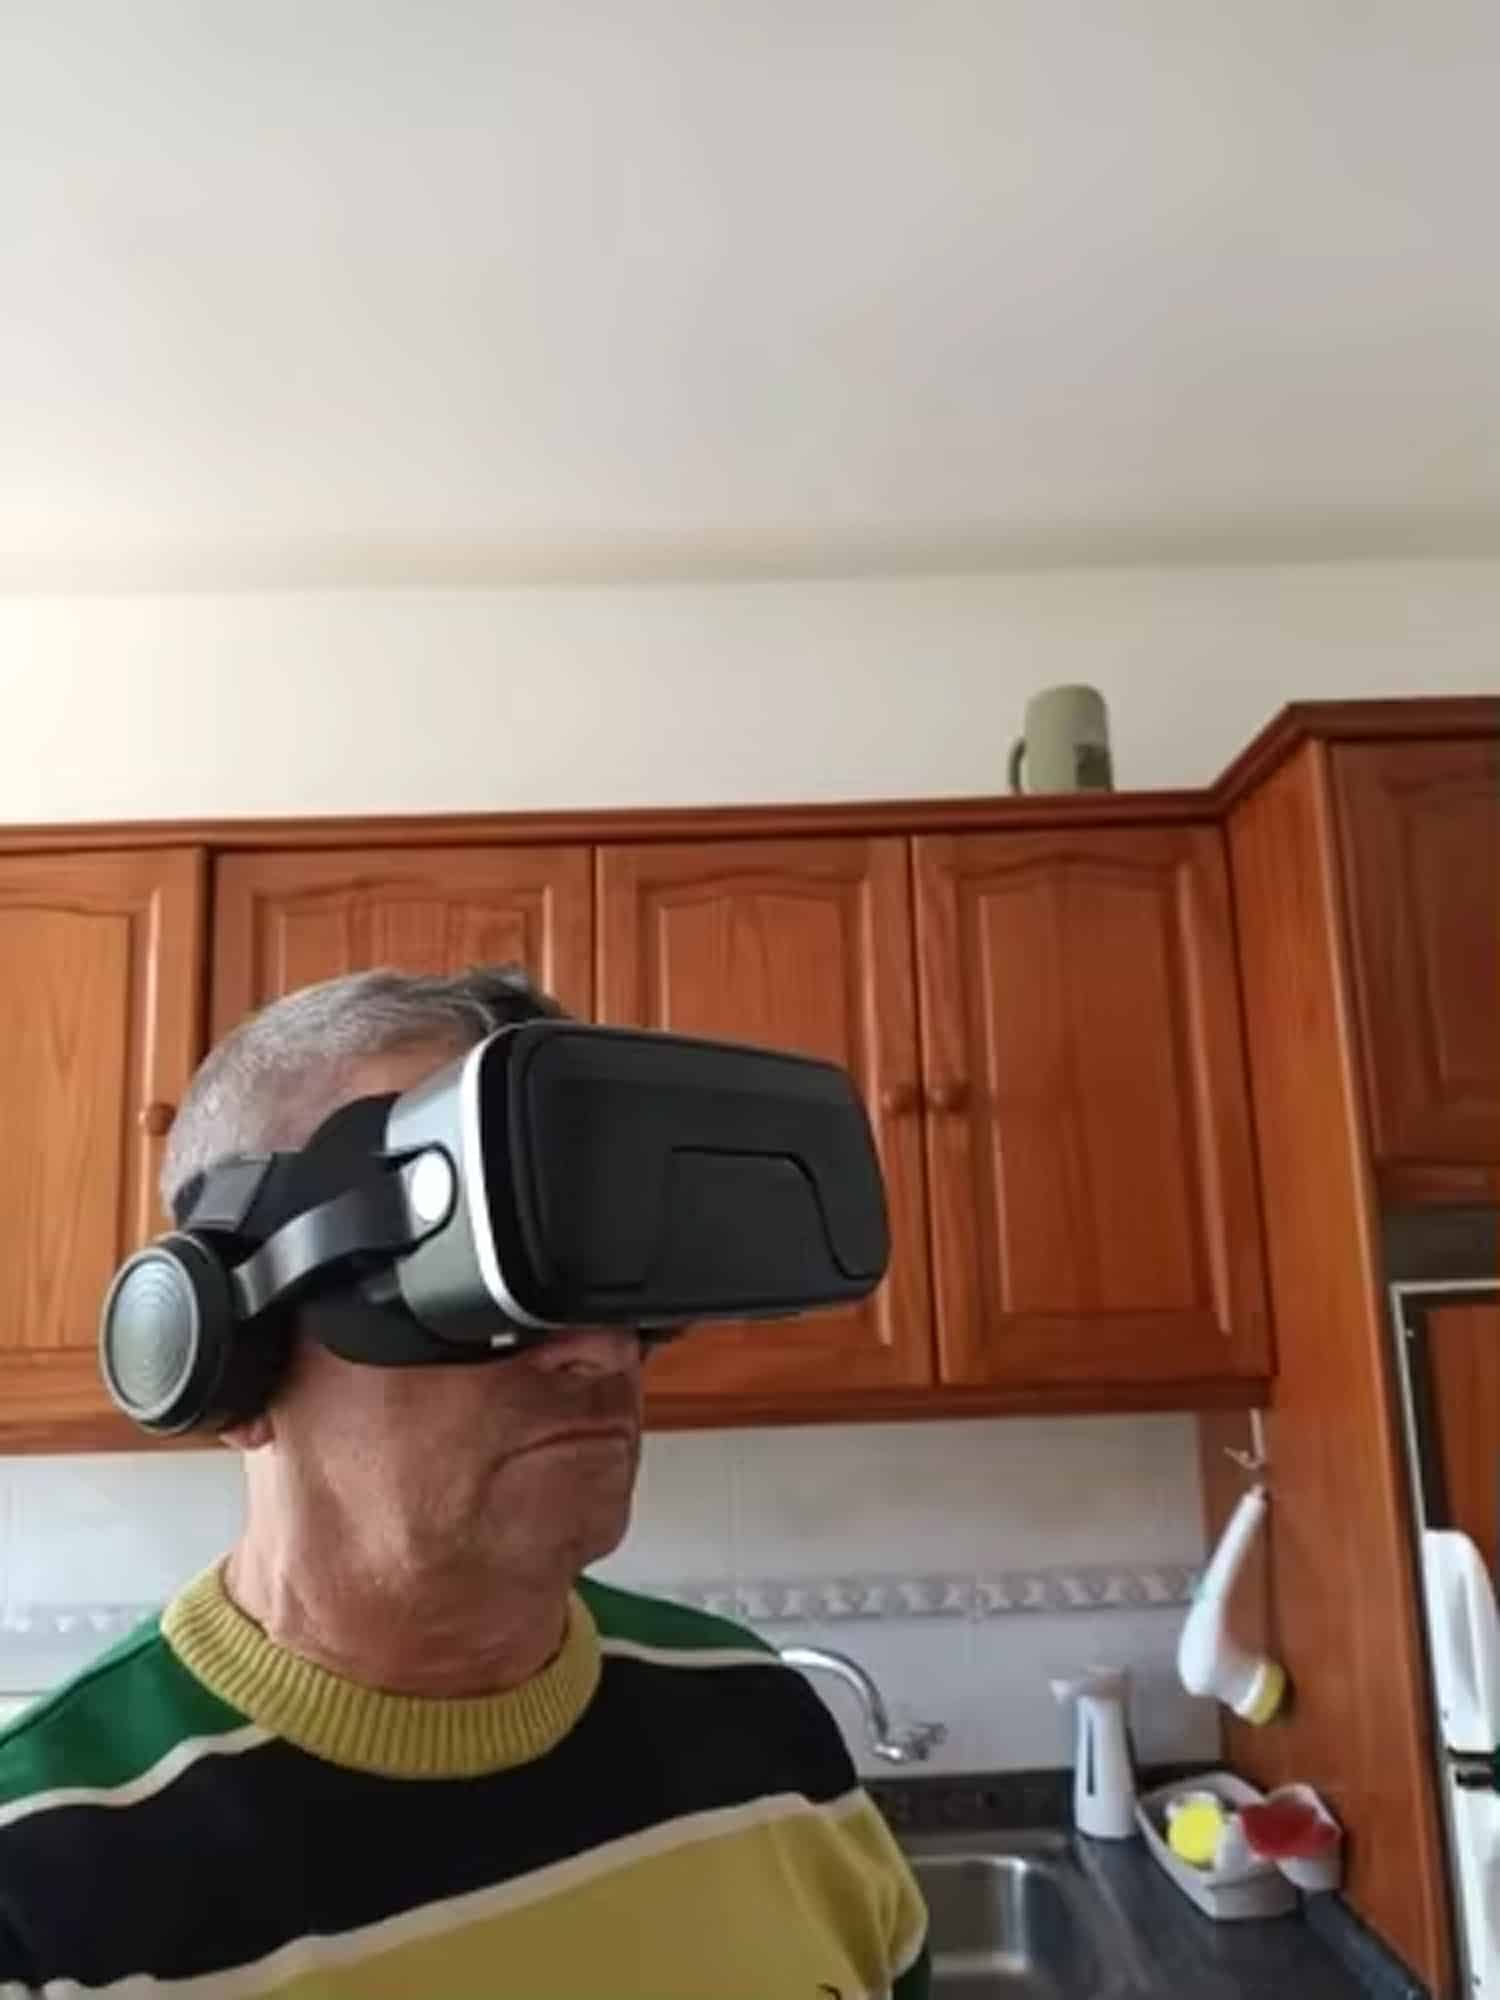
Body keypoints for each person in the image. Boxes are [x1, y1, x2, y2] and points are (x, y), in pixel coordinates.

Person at [0, 966, 930, 1998]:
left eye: (602, 1268)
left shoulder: (763, 1722)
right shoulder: (35, 1883)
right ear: (227, 1351)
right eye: (466, 1269)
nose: (596, 1350)